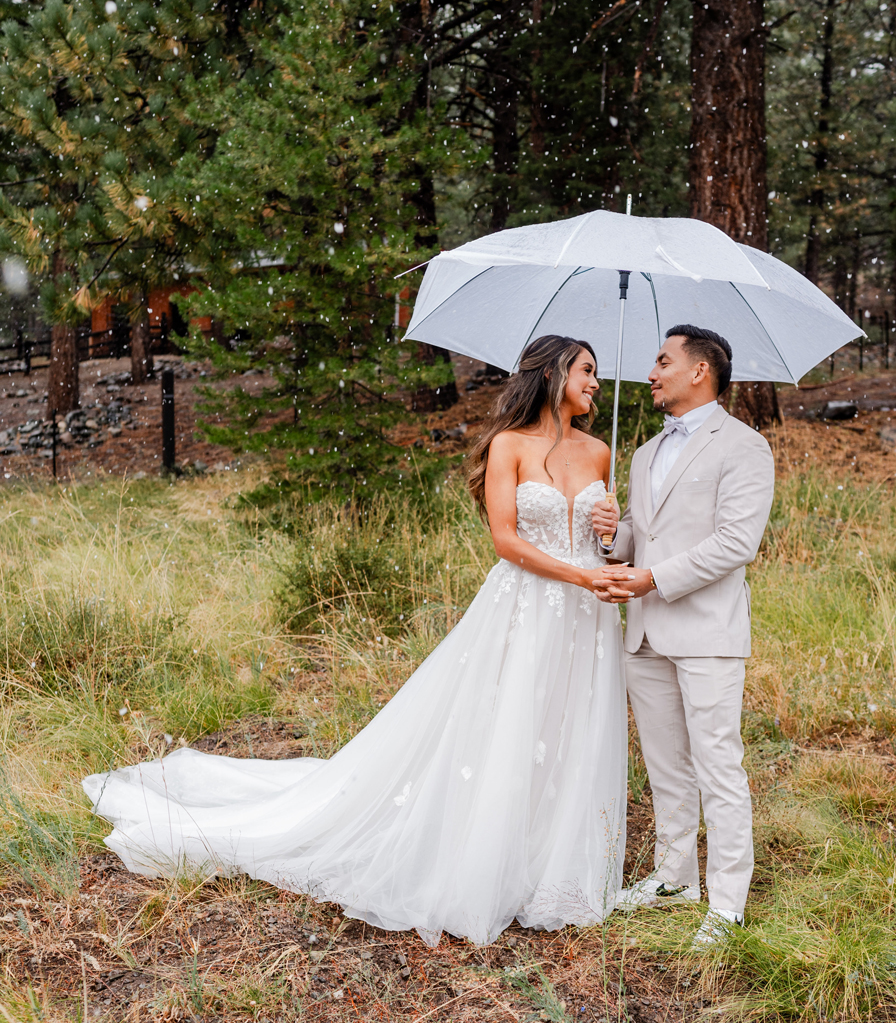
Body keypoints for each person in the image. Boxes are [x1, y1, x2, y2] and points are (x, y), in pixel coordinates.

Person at [84, 335, 627, 948]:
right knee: (510, 724)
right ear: (552, 374)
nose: (595, 383)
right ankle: (489, 851)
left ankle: (552, 862)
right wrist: (582, 574)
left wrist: (608, 534)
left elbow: (604, 544)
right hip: (526, 607)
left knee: (568, 728)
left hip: (586, 618)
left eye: (596, 373)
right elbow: (507, 540)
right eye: (586, 370)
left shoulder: (599, 452)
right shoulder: (510, 445)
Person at [591, 324, 774, 949]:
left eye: (663, 361)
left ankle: (727, 904)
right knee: (666, 766)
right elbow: (634, 539)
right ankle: (674, 878)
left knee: (718, 765)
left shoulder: (744, 446)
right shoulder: (644, 452)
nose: (651, 373)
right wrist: (610, 533)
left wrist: (652, 579)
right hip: (644, 634)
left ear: (700, 371)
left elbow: (736, 543)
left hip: (705, 633)